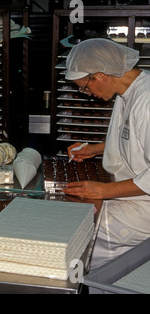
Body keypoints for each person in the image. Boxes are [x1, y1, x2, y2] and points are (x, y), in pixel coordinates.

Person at [62, 38, 150, 269]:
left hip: (145, 206)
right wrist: (97, 148)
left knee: (84, 231)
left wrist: (104, 191)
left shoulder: (148, 101)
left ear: (101, 74)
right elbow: (133, 137)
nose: (86, 93)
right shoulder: (127, 93)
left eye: (84, 86)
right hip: (135, 196)